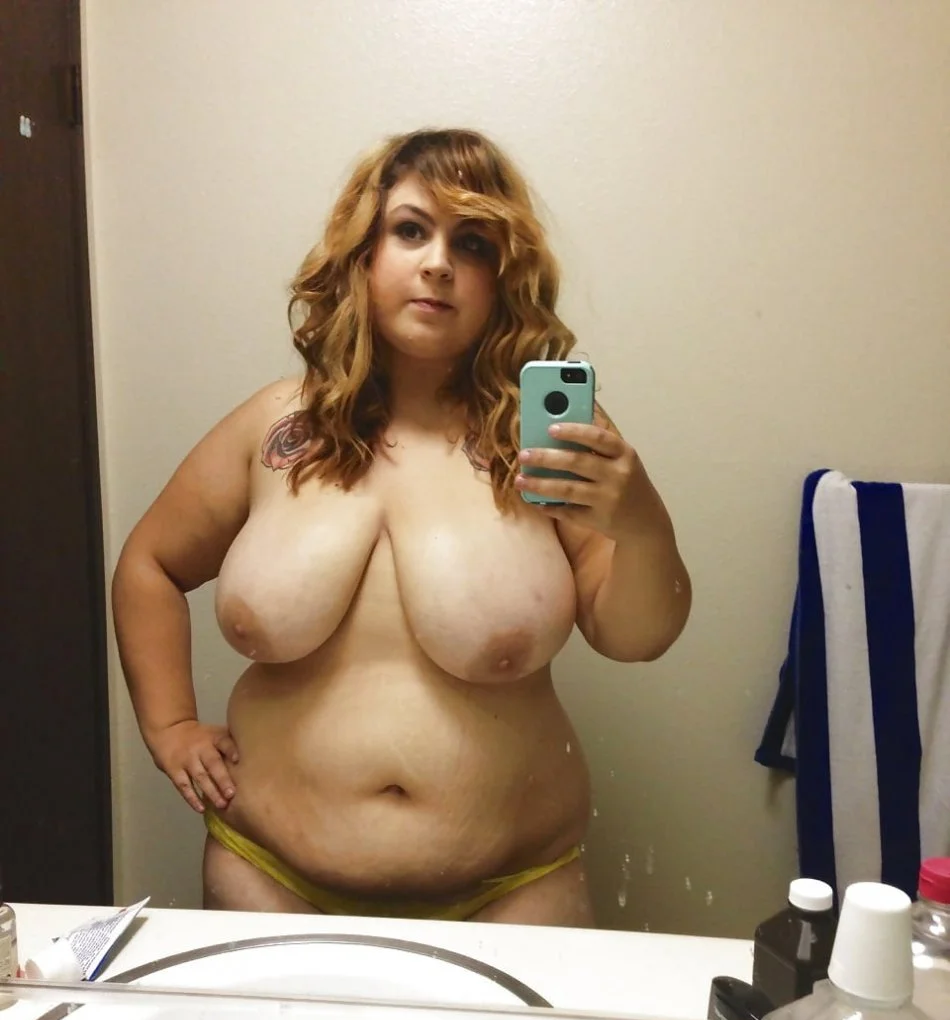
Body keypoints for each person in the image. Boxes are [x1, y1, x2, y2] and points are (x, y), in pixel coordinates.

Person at [112, 128, 691, 926]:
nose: (439, 263)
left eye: (473, 242)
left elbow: (636, 636)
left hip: (513, 893)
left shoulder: (547, 443)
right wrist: (171, 725)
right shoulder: (274, 427)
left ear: (503, 276)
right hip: (268, 877)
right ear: (364, 254)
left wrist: (645, 526)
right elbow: (149, 563)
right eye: (411, 230)